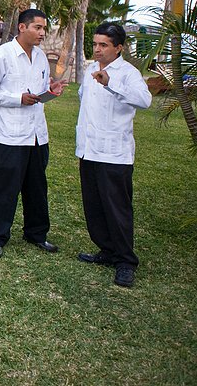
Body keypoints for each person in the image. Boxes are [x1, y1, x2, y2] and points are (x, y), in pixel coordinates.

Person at [0, 8, 66, 259]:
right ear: (22, 27)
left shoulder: (40, 57)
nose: (42, 33)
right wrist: (18, 99)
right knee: (5, 189)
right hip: (9, 135)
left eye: (44, 28)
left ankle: (36, 234)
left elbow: (38, 93)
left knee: (37, 187)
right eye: (38, 27)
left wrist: (50, 90)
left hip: (37, 135)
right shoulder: (1, 55)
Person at [76, 22, 152, 288]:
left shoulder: (128, 73)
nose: (97, 49)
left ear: (118, 48)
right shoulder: (89, 69)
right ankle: (107, 250)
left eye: (103, 45)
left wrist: (111, 84)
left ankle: (125, 262)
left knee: (117, 209)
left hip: (114, 154)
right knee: (94, 206)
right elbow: (84, 99)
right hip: (88, 149)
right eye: (95, 44)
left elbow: (144, 100)